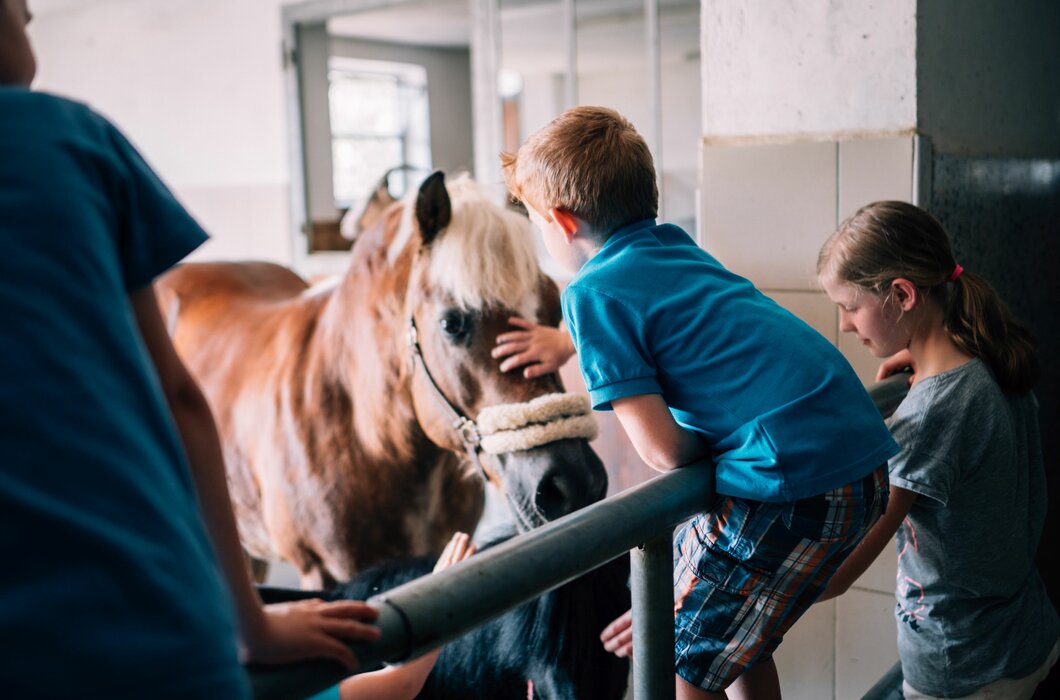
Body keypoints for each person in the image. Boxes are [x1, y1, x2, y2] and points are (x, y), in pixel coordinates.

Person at [0, 2, 467, 697]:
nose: (31, 10)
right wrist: (251, 625)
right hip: (154, 615)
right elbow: (182, 398)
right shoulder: (75, 140)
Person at [500, 105, 897, 699]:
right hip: (859, 463)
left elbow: (663, 450)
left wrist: (707, 449)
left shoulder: (588, 294)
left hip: (797, 487)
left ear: (560, 223)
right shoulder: (674, 246)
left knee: (683, 670)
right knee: (739, 648)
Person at [816, 200, 1059, 699]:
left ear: (902, 294)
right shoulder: (990, 354)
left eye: (850, 306)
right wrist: (918, 359)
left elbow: (841, 571)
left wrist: (718, 594)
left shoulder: (928, 417)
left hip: (965, 669)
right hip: (1025, 634)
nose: (844, 324)